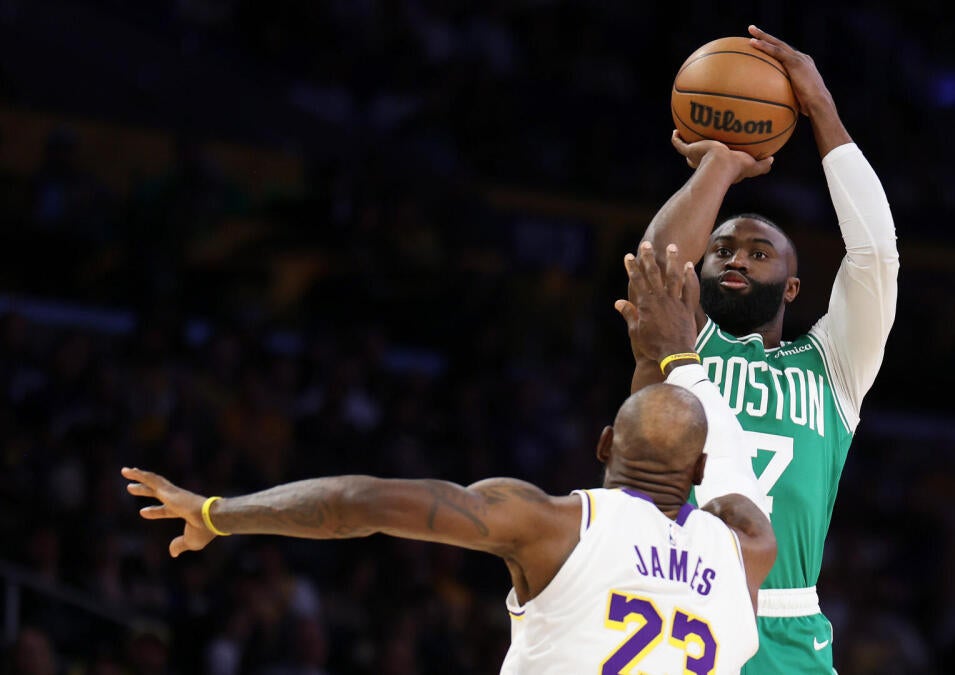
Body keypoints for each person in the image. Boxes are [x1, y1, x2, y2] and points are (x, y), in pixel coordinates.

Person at [124, 245, 776, 674]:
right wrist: (679, 356)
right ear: (698, 471)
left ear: (604, 443)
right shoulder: (747, 547)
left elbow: (356, 502)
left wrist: (217, 512)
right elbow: (726, 465)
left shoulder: (550, 526)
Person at [636, 25, 900, 674]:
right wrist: (720, 167)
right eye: (722, 249)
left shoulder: (833, 367)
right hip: (677, 606)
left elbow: (875, 254)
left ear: (793, 285)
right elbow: (657, 262)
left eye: (759, 254)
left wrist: (821, 109)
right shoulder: (684, 341)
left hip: (788, 624)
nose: (736, 259)